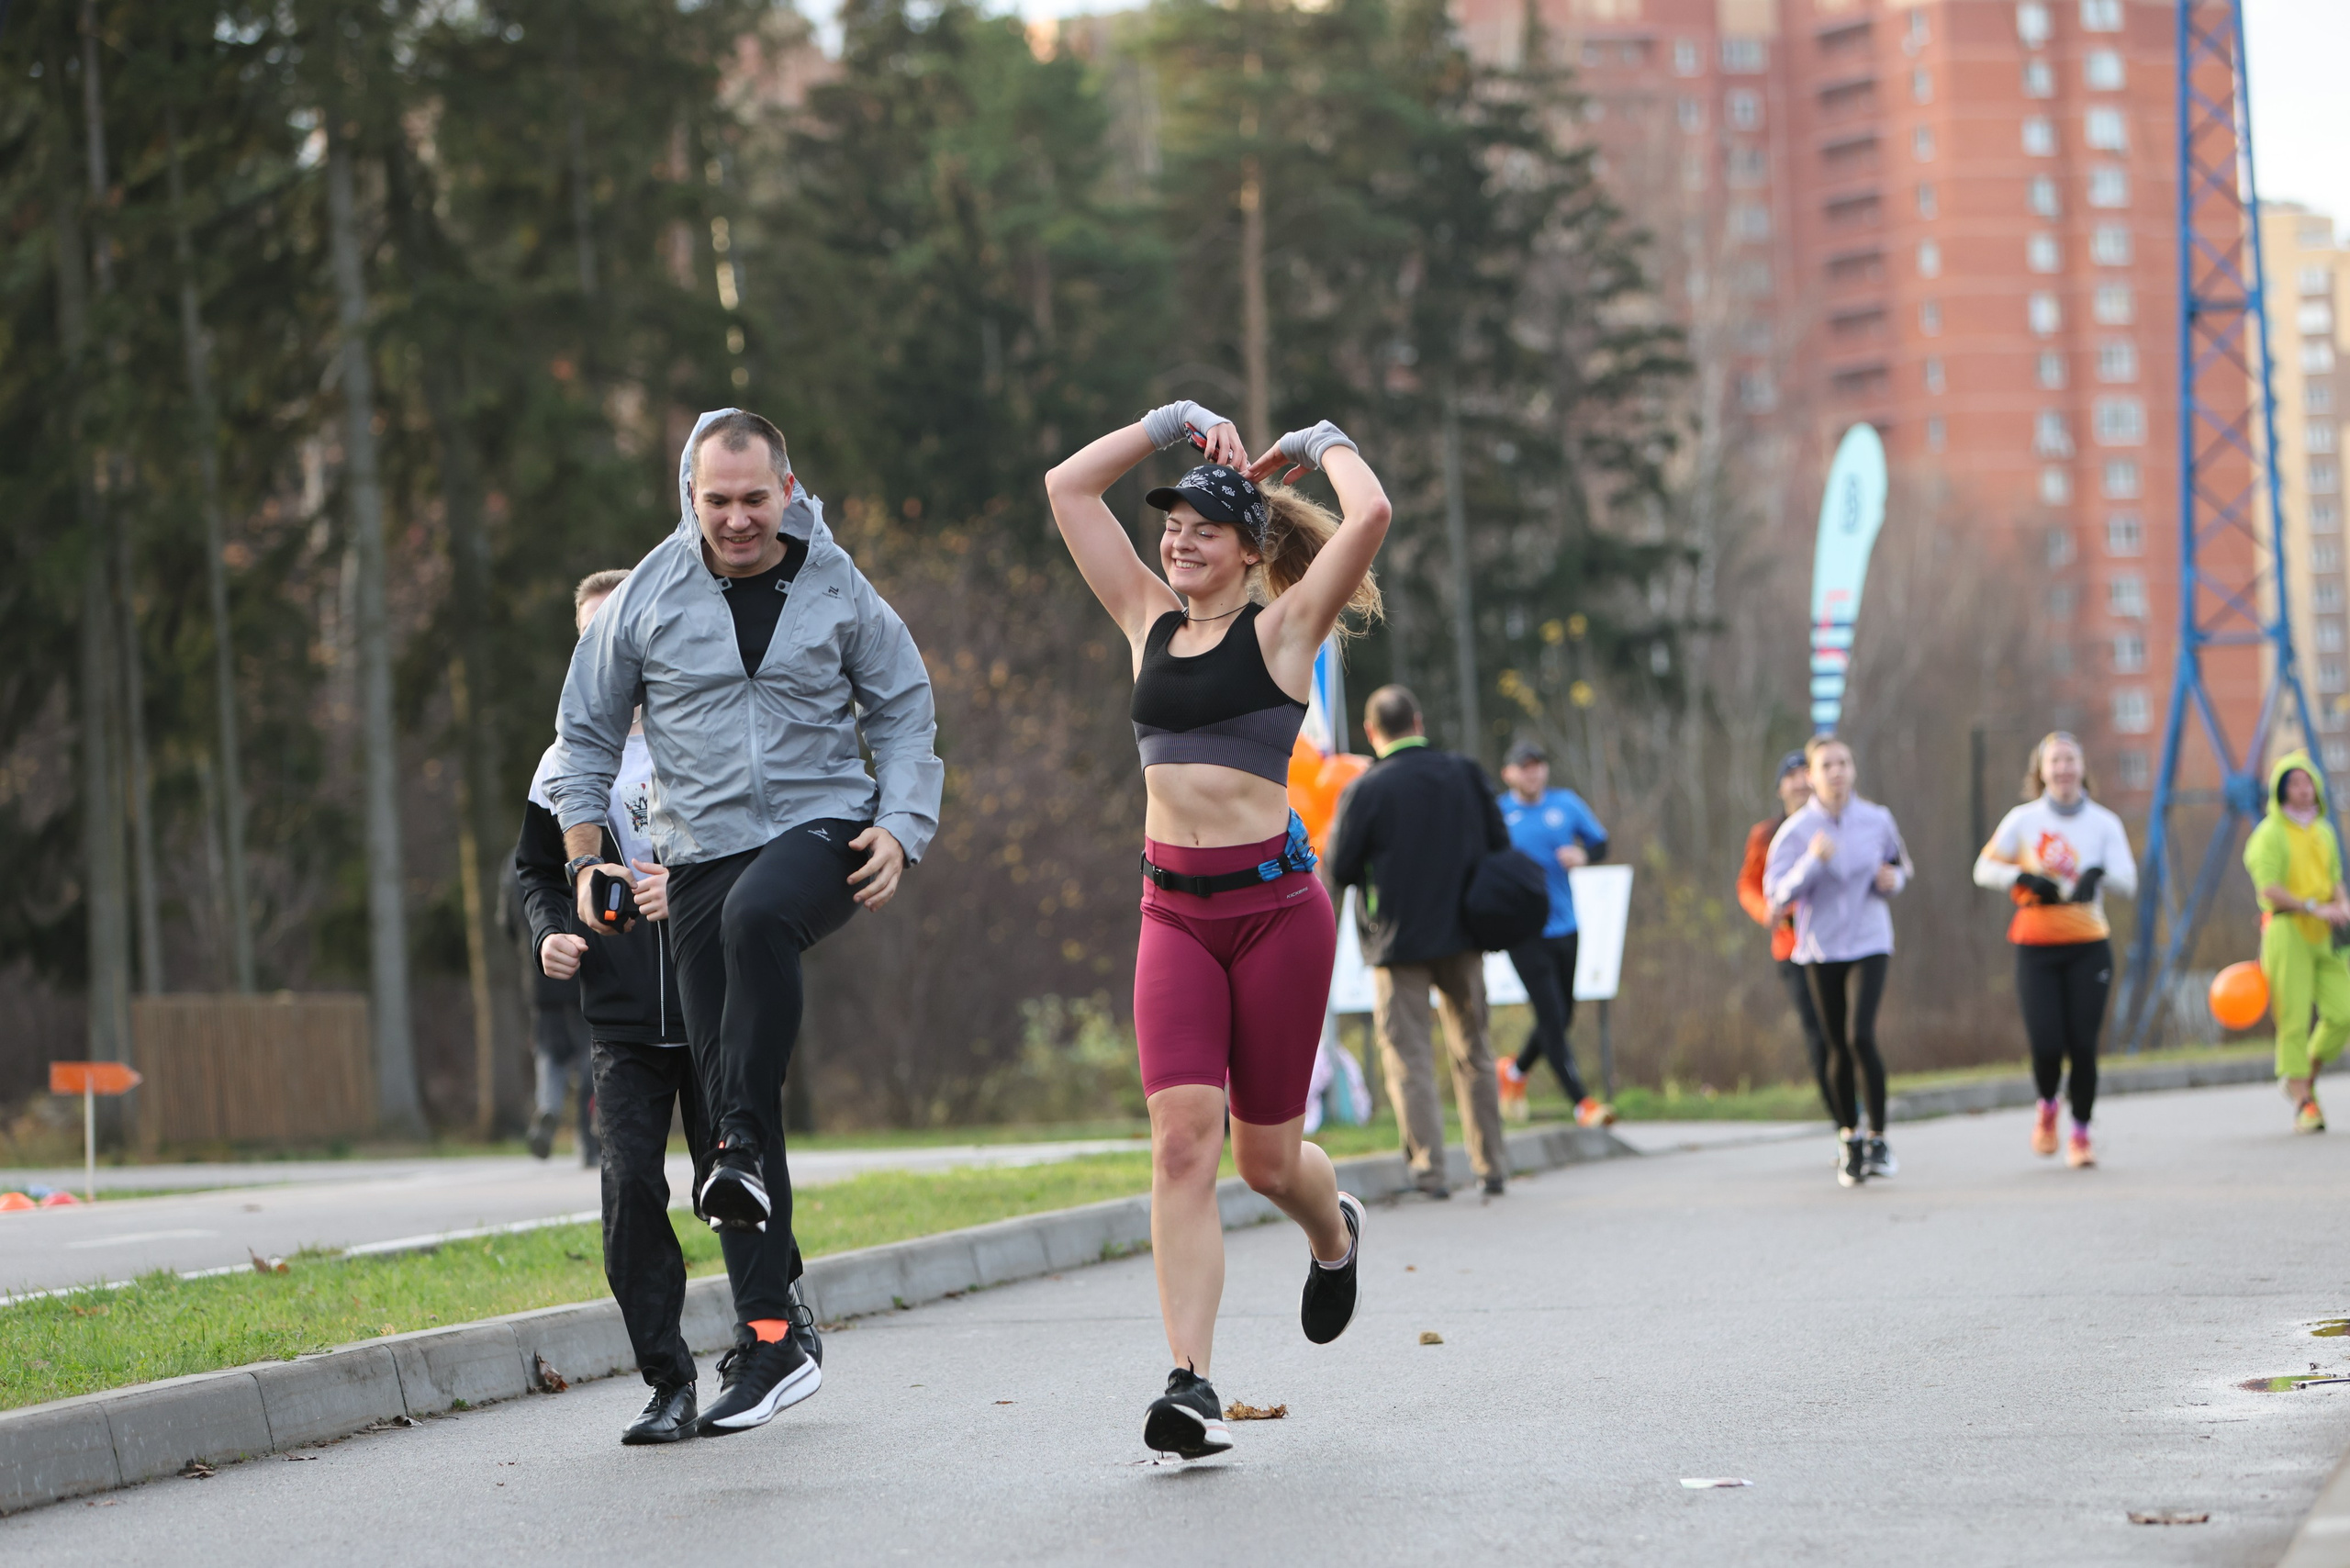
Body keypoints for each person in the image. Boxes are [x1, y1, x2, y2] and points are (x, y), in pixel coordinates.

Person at [548, 410, 942, 1436]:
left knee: (762, 931)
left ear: (787, 487)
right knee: (741, 1091)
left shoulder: (835, 584)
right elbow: (583, 733)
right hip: (697, 854)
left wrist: (901, 824)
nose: (734, 517)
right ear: (690, 494)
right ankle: (772, 1339)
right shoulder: (645, 595)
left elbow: (901, 704)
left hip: (822, 829)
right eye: (715, 499)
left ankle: (731, 1136)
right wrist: (588, 858)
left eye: (752, 498)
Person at [1046, 398, 1388, 1461]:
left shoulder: (1284, 628)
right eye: (1171, 522)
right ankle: (1190, 1382)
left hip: (1277, 915)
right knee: (1183, 1141)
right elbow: (1066, 488)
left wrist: (1322, 439)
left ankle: (1335, 1238)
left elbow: (1369, 514)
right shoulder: (1144, 618)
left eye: (1203, 524)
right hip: (1174, 917)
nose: (1178, 537)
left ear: (1250, 549)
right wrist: (1169, 421)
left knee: (1268, 1165)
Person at [1326, 685, 1513, 1202]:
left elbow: (1340, 868)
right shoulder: (1465, 774)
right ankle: (1491, 1165)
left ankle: (1430, 1172)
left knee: (1409, 1058)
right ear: (1419, 720)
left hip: (1396, 943)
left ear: (1371, 732)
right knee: (1473, 1050)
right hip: (1464, 934)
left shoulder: (1365, 790)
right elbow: (1501, 844)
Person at [1972, 732, 2138, 1168]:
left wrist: (2097, 874)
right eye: (2055, 762)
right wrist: (2022, 878)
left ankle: (2081, 1134)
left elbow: (2128, 880)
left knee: (2082, 1044)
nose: (2063, 769)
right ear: (2041, 772)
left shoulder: (2104, 824)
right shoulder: (2023, 820)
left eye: (2070, 760)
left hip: (2088, 945)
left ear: (2082, 768)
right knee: (2046, 1043)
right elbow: (1983, 869)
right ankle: (2048, 1106)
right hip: (2036, 946)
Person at [1764, 734, 1910, 1187]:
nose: (1837, 772)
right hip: (1820, 947)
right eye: (1827, 765)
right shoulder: (1796, 832)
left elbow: (1902, 865)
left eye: (1844, 763)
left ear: (1854, 770)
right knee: (1835, 1045)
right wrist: (1811, 862)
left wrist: (1895, 879)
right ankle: (1850, 1138)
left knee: (1861, 1035)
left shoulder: (1876, 819)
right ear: (1811, 776)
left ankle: (1879, 1138)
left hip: (1870, 940)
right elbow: (1775, 898)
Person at [1492, 739, 1612, 1126]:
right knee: (1551, 1014)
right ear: (1508, 773)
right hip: (1522, 932)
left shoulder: (1566, 804)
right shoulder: (1498, 814)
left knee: (1563, 1017)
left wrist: (1583, 856)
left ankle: (1513, 1072)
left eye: (1538, 765)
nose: (1533, 772)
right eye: (1524, 766)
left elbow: (1601, 843)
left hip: (1565, 924)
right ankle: (1583, 1104)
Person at [2243, 750, 2350, 1133]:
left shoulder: (2323, 831)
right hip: (2289, 931)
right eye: (2294, 784)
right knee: (2294, 1017)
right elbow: (2268, 887)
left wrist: (2342, 903)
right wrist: (2310, 906)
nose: (2303, 790)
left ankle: (2303, 1073)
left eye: (2307, 782)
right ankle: (2305, 1103)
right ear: (2280, 790)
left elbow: (2335, 877)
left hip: (2328, 932)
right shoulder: (2269, 834)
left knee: (2343, 1012)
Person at [1738, 752, 1833, 1130]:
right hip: (1791, 947)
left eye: (1804, 774)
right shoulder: (1766, 834)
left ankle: (1856, 1106)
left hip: (1836, 942)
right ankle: (1843, 1115)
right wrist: (1765, 910)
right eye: (1790, 776)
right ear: (1780, 788)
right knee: (1817, 1033)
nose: (1799, 782)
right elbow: (1748, 884)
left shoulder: (1832, 825)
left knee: (1846, 1030)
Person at [502, 858, 598, 1167]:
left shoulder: (515, 861)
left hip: (540, 970)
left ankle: (549, 1107)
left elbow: (506, 921)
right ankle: (588, 1138)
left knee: (548, 1050)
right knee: (590, 1059)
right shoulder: (583, 846)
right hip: (583, 968)